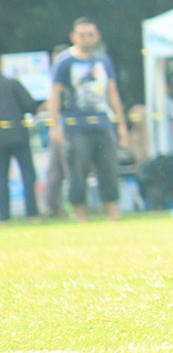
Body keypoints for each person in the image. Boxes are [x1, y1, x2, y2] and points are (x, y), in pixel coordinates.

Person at [46, 17, 129, 222]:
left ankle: (112, 212)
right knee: (77, 171)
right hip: (76, 126)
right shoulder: (64, 62)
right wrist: (54, 125)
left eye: (90, 34)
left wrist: (121, 125)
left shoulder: (103, 60)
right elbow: (55, 94)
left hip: (102, 122)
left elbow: (112, 93)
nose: (86, 38)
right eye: (82, 35)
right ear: (74, 37)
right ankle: (80, 214)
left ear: (97, 36)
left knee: (109, 169)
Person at [0, 69, 41, 223]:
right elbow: (30, 105)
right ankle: (32, 214)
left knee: (1, 178)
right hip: (18, 136)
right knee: (28, 175)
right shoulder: (13, 83)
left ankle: (4, 217)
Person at [42, 43, 70, 218]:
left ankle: (72, 206)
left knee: (69, 170)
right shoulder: (53, 79)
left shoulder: (68, 80)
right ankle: (54, 208)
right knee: (55, 171)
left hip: (67, 128)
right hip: (57, 129)